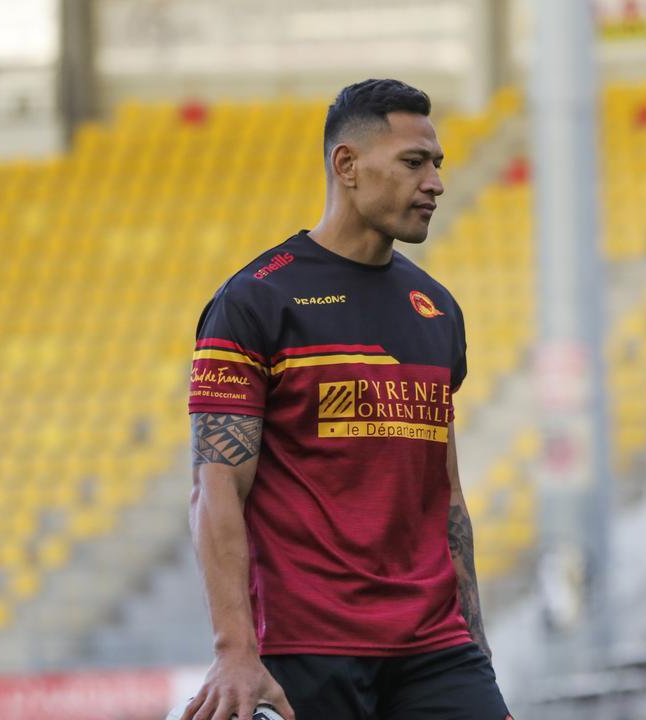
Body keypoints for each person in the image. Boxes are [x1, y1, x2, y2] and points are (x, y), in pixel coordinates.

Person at [181, 78, 511, 720]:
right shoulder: (255, 301)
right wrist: (236, 652)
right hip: (308, 648)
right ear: (348, 166)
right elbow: (216, 489)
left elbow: (444, 496)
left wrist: (476, 645)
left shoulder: (437, 310)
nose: (436, 183)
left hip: (436, 649)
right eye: (414, 163)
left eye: (437, 164)